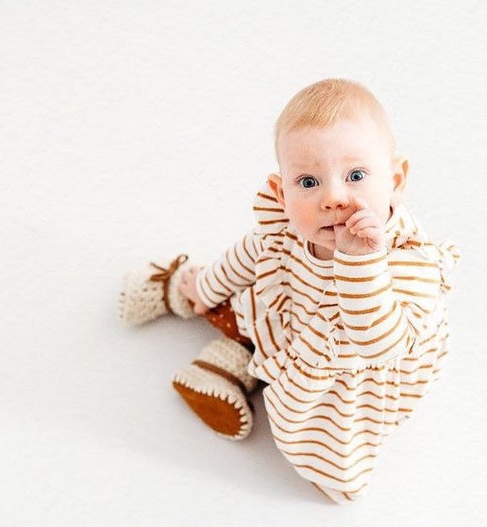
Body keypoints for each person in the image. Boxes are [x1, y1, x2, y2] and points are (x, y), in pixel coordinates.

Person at [119, 78, 460, 504]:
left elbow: (378, 344)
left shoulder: (409, 264)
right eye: (308, 182)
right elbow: (246, 256)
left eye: (356, 175)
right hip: (298, 318)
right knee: (247, 301)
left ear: (395, 179)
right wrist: (206, 290)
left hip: (353, 369)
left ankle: (238, 369)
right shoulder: (289, 227)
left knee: (321, 433)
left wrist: (359, 261)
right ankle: (196, 307)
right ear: (283, 192)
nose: (333, 197)